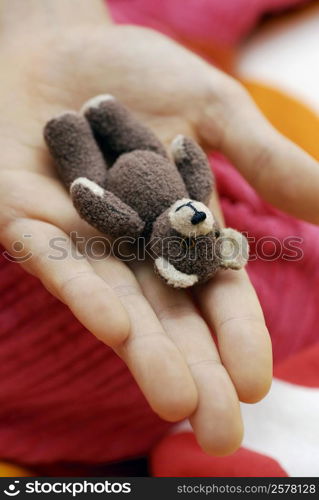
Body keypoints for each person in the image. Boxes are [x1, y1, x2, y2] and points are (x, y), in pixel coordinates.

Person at [0, 0, 318, 471]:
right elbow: (188, 169)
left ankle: (78, 125)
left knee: (88, 164)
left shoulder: (141, 232)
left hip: (91, 99)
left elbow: (98, 200)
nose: (196, 221)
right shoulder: (188, 205)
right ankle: (91, 119)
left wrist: (43, 26)